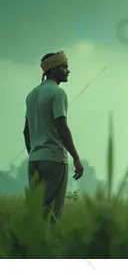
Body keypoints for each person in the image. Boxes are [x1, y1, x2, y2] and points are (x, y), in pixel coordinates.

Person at [23, 51, 84, 223]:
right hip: (54, 160)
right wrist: (76, 158)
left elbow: (26, 131)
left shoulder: (32, 94)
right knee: (50, 214)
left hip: (34, 160)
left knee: (36, 210)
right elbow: (62, 128)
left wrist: (34, 152)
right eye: (65, 67)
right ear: (53, 69)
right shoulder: (58, 94)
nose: (68, 71)